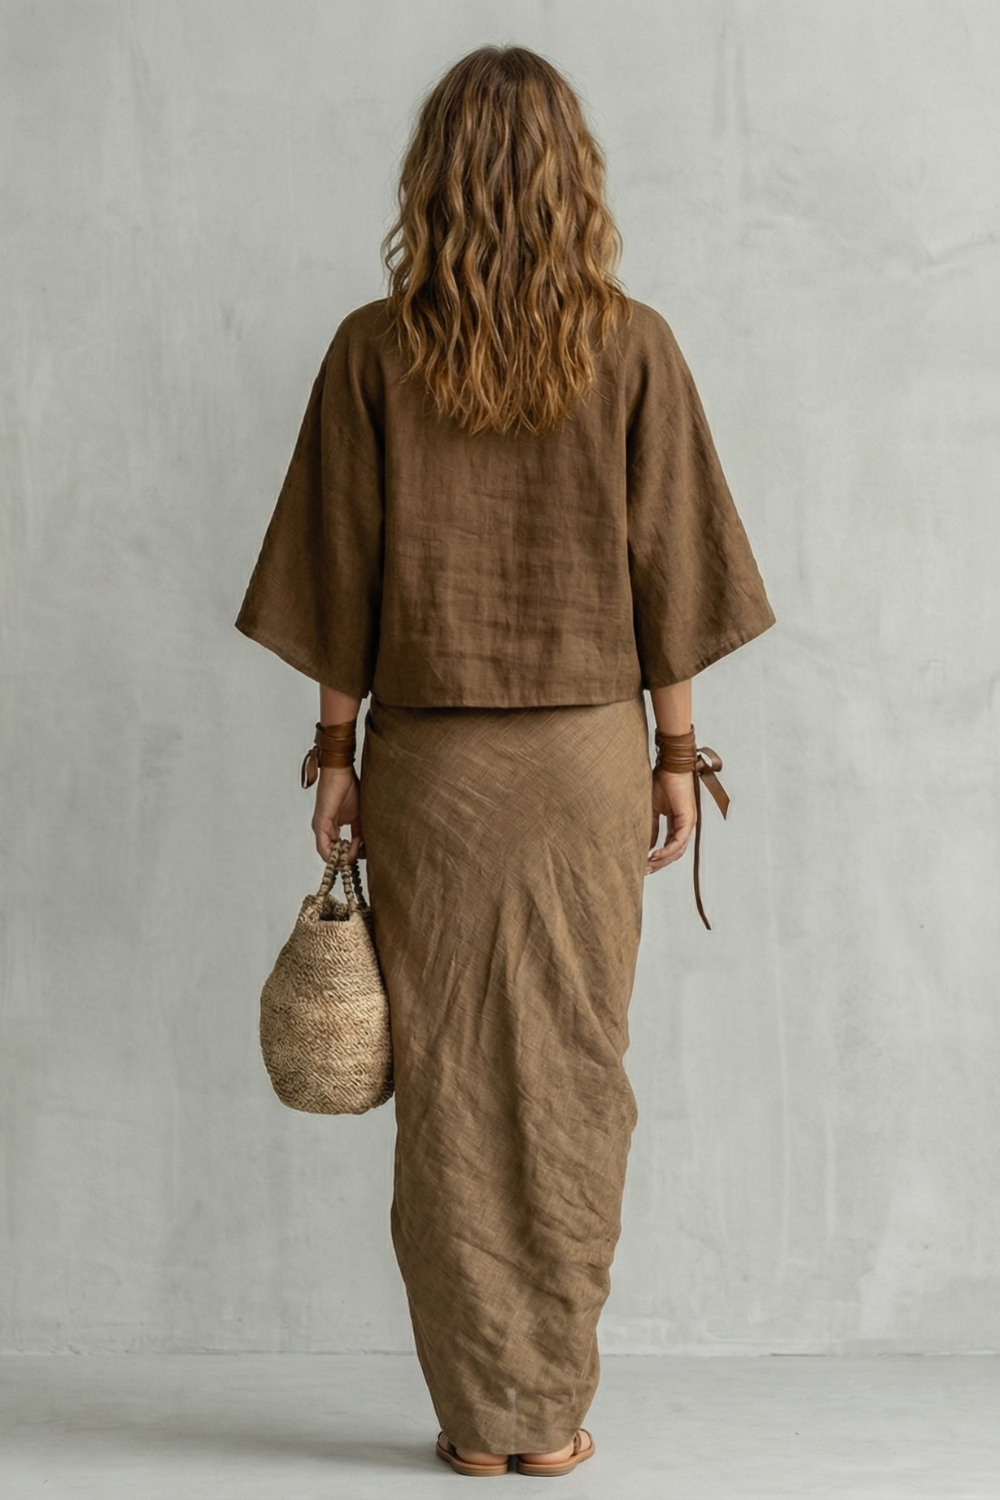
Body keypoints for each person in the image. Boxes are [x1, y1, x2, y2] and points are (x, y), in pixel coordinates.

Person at [235, 44, 774, 1479]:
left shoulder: (373, 349)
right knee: (576, 1073)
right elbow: (673, 574)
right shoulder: (635, 345)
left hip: (430, 775)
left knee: (453, 1086)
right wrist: (675, 756)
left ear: (435, 179)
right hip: (587, 763)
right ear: (572, 180)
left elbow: (337, 576)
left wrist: (335, 754)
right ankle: (545, 1417)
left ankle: (482, 1421)